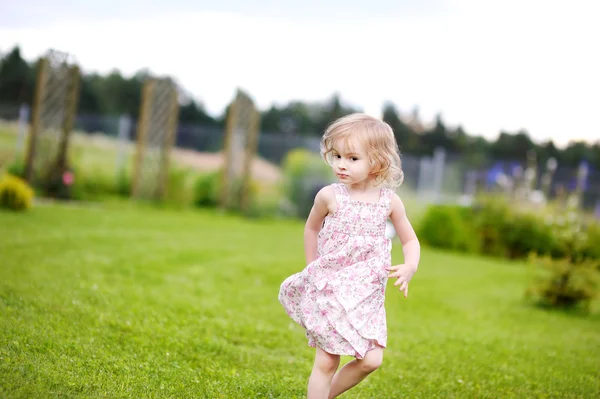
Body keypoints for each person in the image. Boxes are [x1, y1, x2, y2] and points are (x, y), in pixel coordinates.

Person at [278, 113, 421, 399]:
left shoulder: (389, 202)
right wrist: (312, 268)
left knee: (371, 360)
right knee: (327, 360)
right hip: (330, 286)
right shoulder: (330, 196)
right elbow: (312, 228)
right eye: (337, 156)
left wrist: (410, 266)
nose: (341, 164)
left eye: (352, 158)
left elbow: (410, 239)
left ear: (377, 161)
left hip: (367, 294)